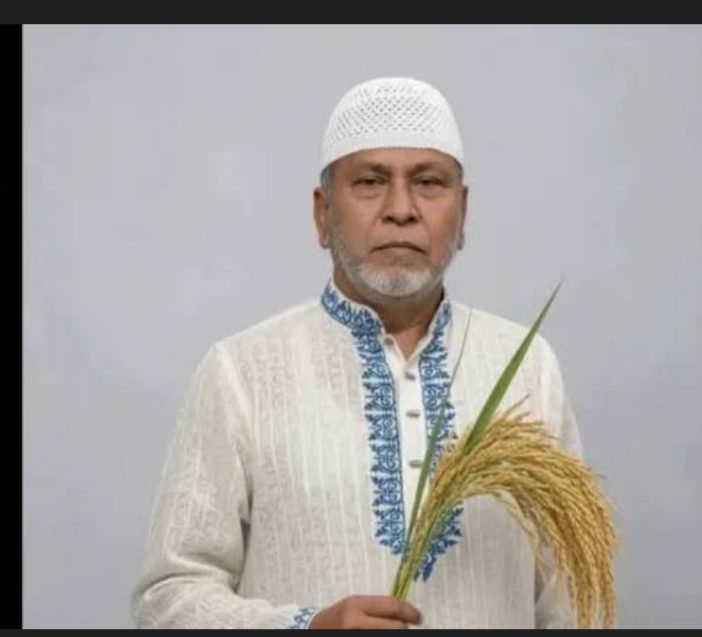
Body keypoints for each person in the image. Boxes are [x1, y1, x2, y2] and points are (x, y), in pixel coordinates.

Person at [131, 76, 583, 629]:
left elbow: (574, 605)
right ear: (323, 214)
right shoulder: (242, 373)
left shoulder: (530, 368)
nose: (401, 209)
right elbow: (168, 599)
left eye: (429, 183)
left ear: (462, 213)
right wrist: (305, 627)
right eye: (370, 182)